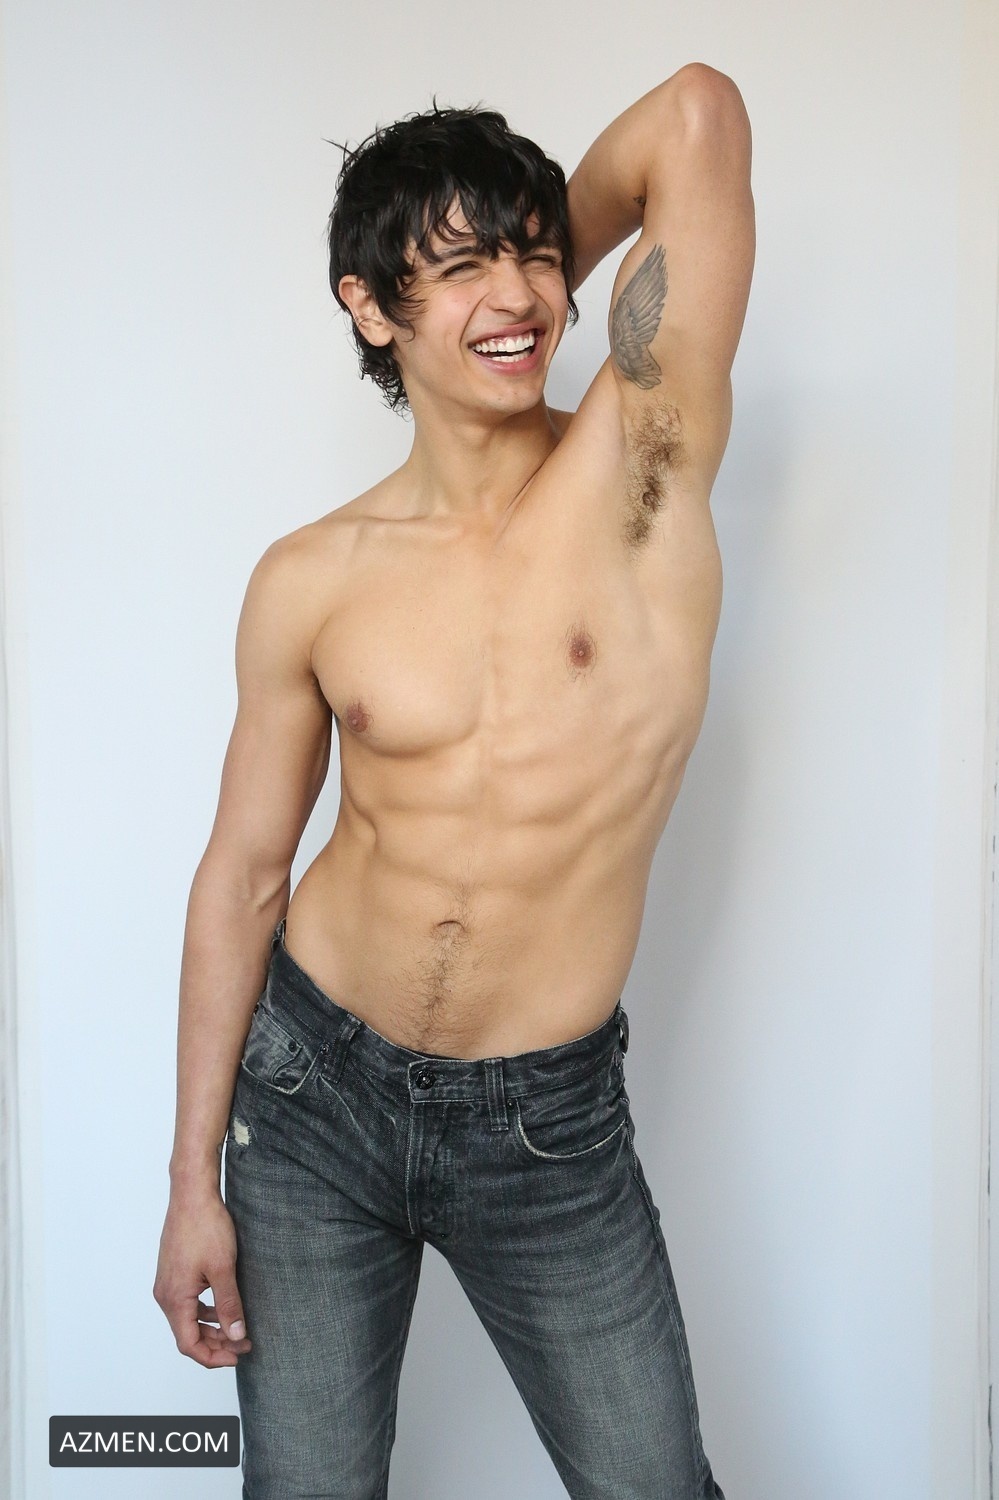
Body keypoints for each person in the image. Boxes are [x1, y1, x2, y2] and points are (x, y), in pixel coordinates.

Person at [154, 61, 754, 1500]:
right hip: (309, 1097)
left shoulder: (641, 468)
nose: (521, 294)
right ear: (370, 307)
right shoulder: (312, 578)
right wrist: (190, 1184)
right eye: (462, 264)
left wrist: (514, 269)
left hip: (544, 1130)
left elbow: (696, 114)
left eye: (536, 254)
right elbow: (244, 875)